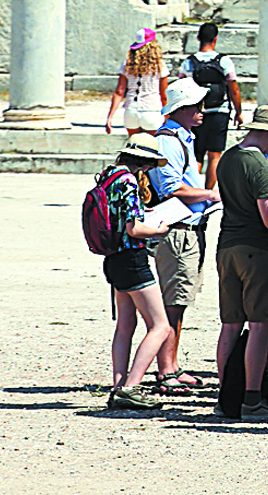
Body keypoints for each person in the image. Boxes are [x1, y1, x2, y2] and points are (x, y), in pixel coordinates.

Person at [213, 105, 268, 421]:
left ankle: (226, 397)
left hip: (227, 246)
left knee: (230, 325)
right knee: (260, 325)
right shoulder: (262, 167)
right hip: (257, 250)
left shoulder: (228, 158)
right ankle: (251, 399)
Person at [145, 77, 222, 393]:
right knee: (173, 303)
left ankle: (172, 364)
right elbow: (171, 187)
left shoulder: (182, 138)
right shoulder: (169, 141)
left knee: (180, 300)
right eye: (196, 105)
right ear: (180, 109)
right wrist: (210, 195)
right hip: (179, 231)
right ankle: (166, 369)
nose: (202, 110)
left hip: (189, 229)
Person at [97, 133, 175, 411]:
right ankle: (131, 387)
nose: (150, 170)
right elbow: (134, 229)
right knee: (161, 326)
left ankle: (118, 387)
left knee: (125, 325)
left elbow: (119, 217)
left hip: (113, 258)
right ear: (142, 161)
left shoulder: (108, 176)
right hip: (132, 258)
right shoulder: (129, 181)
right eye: (150, 164)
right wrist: (159, 229)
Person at [181, 22, 241, 187]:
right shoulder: (224, 61)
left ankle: (194, 190)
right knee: (215, 155)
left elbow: (182, 87)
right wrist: (239, 112)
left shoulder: (189, 62)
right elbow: (234, 89)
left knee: (197, 155)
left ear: (198, 38)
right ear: (215, 39)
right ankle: (208, 191)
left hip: (196, 112)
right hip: (220, 111)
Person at [105, 28, 167, 134]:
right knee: (153, 143)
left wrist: (110, 116)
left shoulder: (127, 64)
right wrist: (167, 115)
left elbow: (119, 92)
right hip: (152, 110)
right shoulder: (159, 65)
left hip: (131, 110)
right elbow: (164, 95)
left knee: (134, 142)